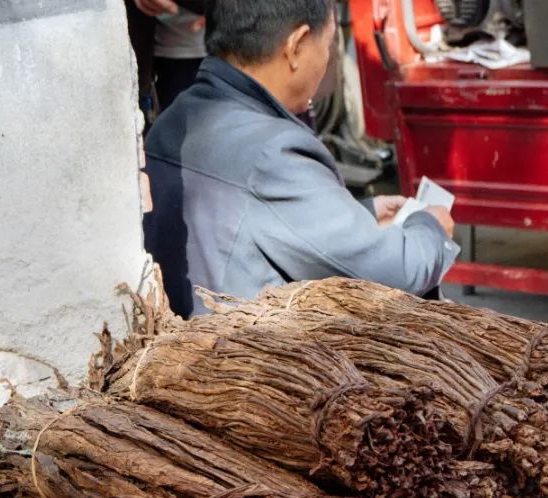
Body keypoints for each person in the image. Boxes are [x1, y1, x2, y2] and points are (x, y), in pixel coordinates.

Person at [142, 0, 457, 317]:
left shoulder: (172, 120)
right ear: (295, 46)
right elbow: (399, 272)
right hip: (241, 355)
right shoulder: (274, 151)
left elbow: (260, 216)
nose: (328, 58)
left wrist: (361, 215)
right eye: (329, 42)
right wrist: (430, 226)